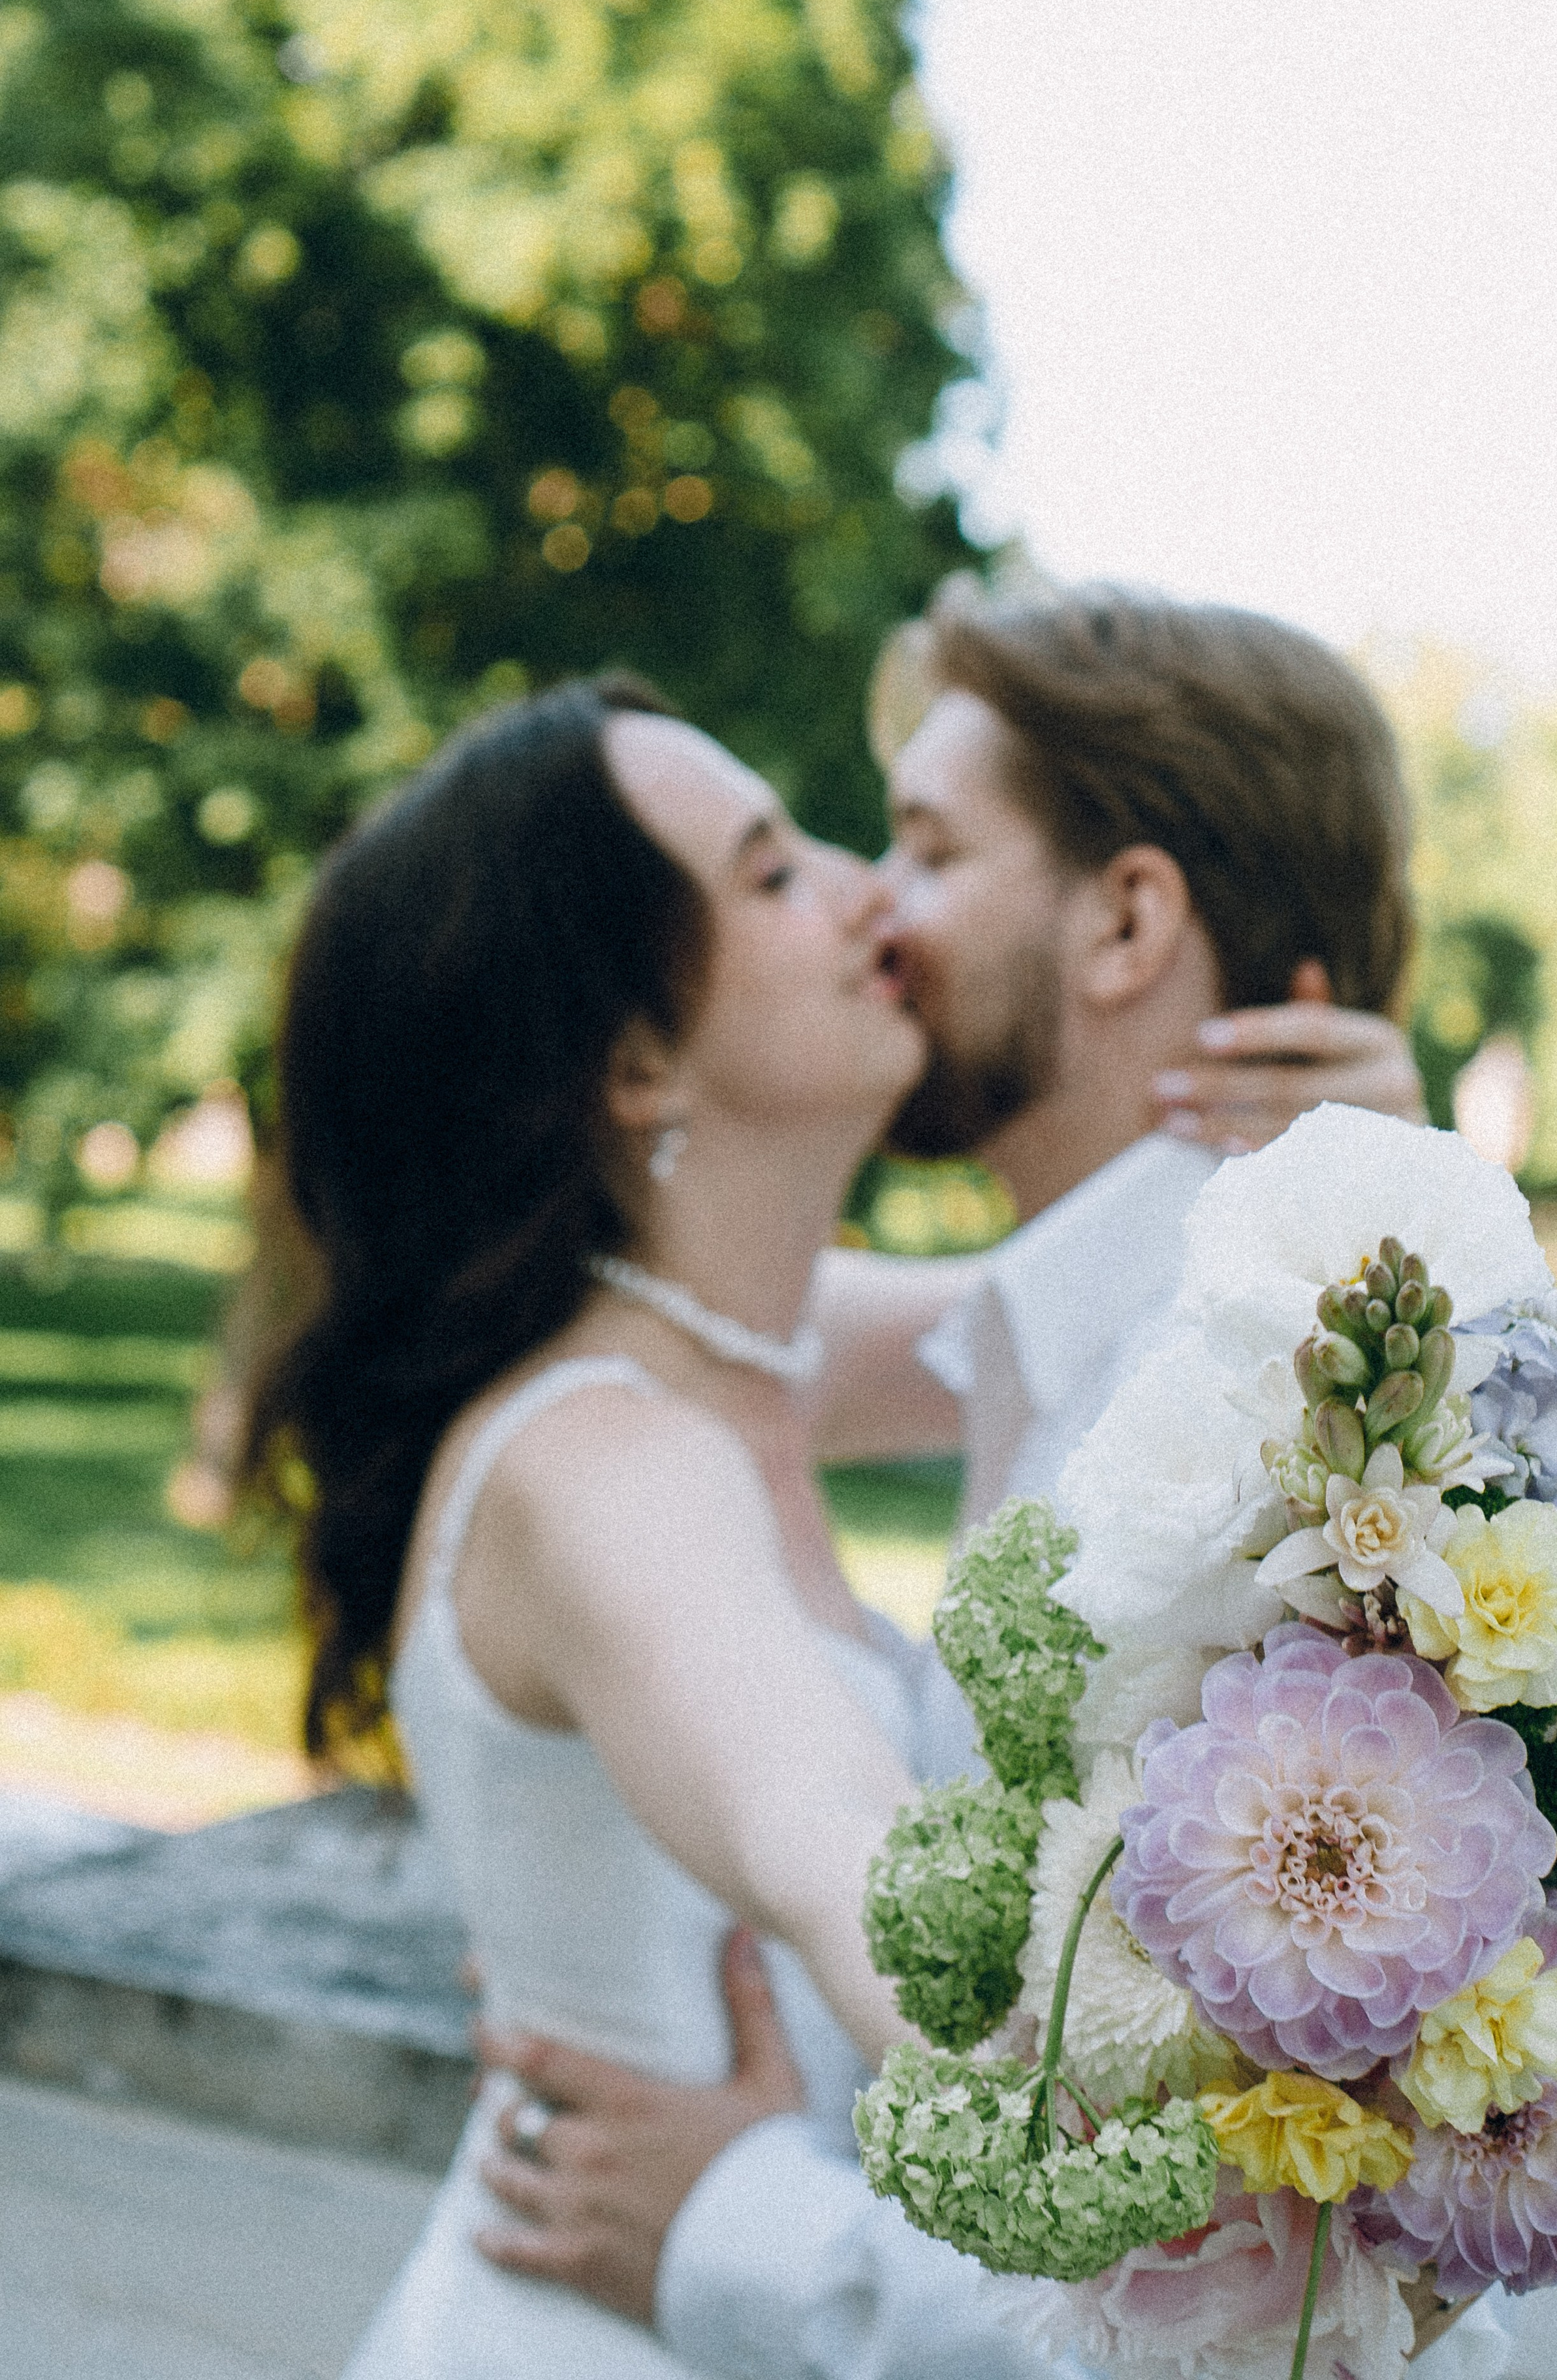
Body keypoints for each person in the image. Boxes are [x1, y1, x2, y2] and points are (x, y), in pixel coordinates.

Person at [470, 589, 1513, 2379]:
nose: (876, 901)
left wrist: (738, 2238)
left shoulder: (1290, 1449)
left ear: (1125, 921)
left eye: (929, 847)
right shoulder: (1071, 1334)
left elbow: (1323, 2247)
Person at [249, 671, 1022, 2379]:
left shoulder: (756, 1361)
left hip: (724, 2282)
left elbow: (1114, 1303)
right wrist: (1131, 2138)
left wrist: (1339, 1138)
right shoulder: (608, 1467)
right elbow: (821, 1818)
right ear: (635, 1056)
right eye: (770, 873)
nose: (864, 887)